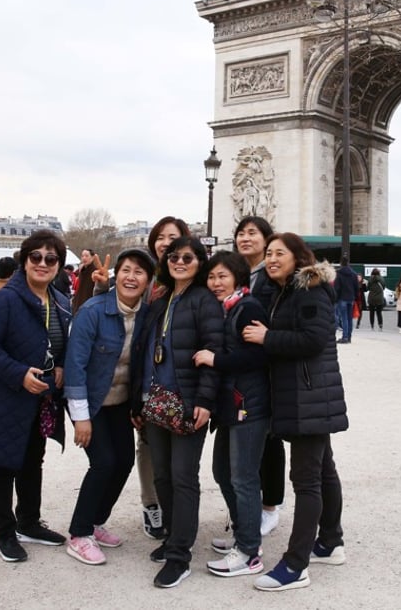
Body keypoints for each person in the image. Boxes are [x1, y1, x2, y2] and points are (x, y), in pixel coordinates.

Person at [242, 233, 348, 592]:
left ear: (298, 257)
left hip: (308, 395)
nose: (271, 259)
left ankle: (295, 565)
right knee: (324, 470)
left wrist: (267, 337)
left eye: (278, 253)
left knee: (306, 481)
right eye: (268, 254)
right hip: (307, 393)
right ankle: (330, 541)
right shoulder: (288, 289)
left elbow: (315, 339)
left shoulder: (309, 290)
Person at [0, 230, 72, 564]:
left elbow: (61, 343)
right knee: (3, 464)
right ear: (24, 261)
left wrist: (62, 367)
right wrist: (18, 374)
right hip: (6, 395)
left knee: (32, 461)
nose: (42, 263)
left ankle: (28, 522)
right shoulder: (4, 299)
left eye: (50, 259)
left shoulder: (61, 301)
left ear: (59, 265)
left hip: (41, 399)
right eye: (35, 257)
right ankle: (5, 533)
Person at [132, 235, 222, 589]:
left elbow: (213, 351)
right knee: (163, 477)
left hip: (186, 400)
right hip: (156, 400)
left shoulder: (204, 301)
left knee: (184, 477)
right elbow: (144, 352)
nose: (179, 261)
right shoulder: (161, 299)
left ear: (199, 262)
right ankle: (172, 537)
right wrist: (137, 401)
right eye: (173, 256)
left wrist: (205, 400)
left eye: (187, 256)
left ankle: (180, 555)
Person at [63, 248, 154, 566]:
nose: (132, 277)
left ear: (148, 281)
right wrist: (80, 417)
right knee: (103, 462)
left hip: (119, 402)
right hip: (89, 400)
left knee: (125, 461)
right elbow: (74, 366)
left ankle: (96, 520)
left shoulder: (147, 315)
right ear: (117, 275)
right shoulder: (93, 311)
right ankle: (78, 533)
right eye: (126, 270)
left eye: (139, 272)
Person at [193, 251, 271, 578]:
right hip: (234, 405)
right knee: (223, 472)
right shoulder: (230, 307)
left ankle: (250, 552)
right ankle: (244, 536)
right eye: (211, 277)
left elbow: (256, 356)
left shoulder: (247, 307)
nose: (215, 283)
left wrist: (215, 360)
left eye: (222, 276)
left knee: (242, 478)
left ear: (237, 277)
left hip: (249, 406)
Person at [136, 215, 193, 540]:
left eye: (172, 236)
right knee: (146, 445)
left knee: (175, 453)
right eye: (160, 236)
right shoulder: (144, 276)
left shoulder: (188, 281)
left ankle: (173, 512)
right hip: (145, 375)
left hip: (176, 378)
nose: (165, 241)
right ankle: (151, 503)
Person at [233, 216, 283, 536]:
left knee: (270, 440)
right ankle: (252, 508)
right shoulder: (238, 274)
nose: (245, 238)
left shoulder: (273, 276)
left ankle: (270, 507)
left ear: (267, 240)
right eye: (241, 233)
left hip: (267, 367)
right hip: (242, 368)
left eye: (253, 233)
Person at [334, 256, 358, 344]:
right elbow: (356, 287)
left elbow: (337, 287)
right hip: (351, 298)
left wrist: (336, 298)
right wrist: (355, 297)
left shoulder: (339, 273)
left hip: (342, 298)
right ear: (348, 262)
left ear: (341, 263)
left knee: (344, 318)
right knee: (349, 318)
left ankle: (344, 337)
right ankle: (349, 337)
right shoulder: (354, 274)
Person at [71, 248, 97, 313]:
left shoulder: (95, 272)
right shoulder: (82, 270)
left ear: (93, 257)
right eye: (82, 256)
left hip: (89, 304)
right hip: (78, 302)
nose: (84, 258)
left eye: (86, 256)